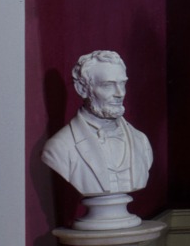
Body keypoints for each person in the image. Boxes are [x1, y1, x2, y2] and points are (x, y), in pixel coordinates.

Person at [43, 51, 153, 198]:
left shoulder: (141, 141)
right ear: (82, 89)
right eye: (108, 85)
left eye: (122, 84)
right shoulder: (59, 147)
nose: (120, 93)